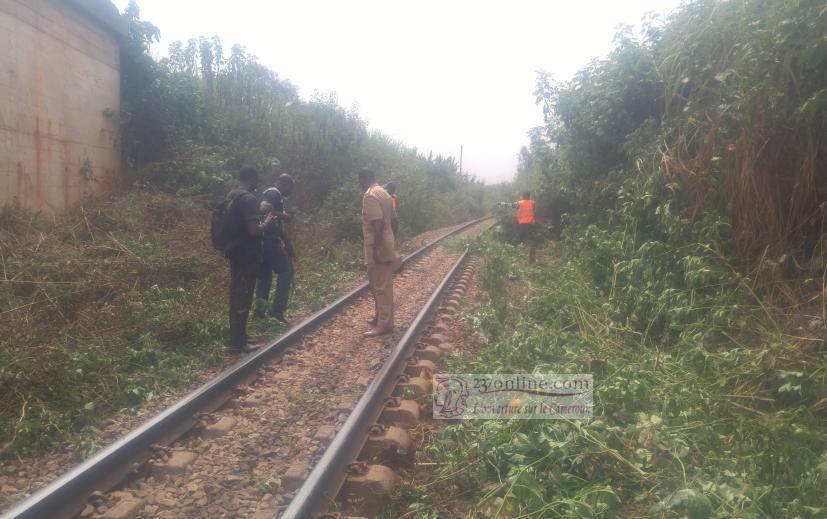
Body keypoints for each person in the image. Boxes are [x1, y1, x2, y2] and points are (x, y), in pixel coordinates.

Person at [224, 166, 274, 353]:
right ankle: (239, 343)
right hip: (247, 254)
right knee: (243, 296)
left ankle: (237, 337)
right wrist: (267, 223)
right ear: (252, 179)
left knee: (236, 294)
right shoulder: (250, 199)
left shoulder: (231, 195)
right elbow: (254, 229)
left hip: (234, 252)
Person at [360, 168, 400, 337]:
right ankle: (380, 318)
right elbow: (395, 220)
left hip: (376, 246)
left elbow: (377, 224)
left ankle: (384, 325)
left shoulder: (370, 195)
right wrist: (391, 241)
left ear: (362, 180)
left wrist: (377, 248)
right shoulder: (384, 193)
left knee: (381, 286)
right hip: (385, 242)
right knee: (379, 285)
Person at [254, 174, 295, 324]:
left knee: (264, 276)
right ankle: (277, 311)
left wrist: (288, 244)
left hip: (262, 241)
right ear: (284, 184)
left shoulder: (273, 195)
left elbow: (277, 227)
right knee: (286, 270)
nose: (290, 190)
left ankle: (259, 313)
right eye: (290, 187)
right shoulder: (274, 193)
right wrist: (283, 216)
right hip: (269, 242)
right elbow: (263, 208)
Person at [513, 191, 537, 263]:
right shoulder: (533, 202)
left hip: (522, 223)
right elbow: (535, 210)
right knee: (530, 238)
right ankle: (530, 254)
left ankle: (522, 251)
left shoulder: (519, 203)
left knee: (522, 238)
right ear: (529, 196)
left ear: (522, 196)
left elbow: (513, 207)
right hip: (530, 223)